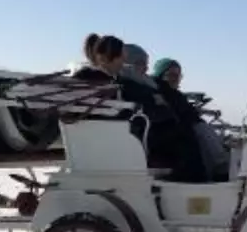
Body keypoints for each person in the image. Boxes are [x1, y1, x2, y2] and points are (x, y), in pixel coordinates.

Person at [74, 34, 208, 182]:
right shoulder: (99, 79)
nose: (123, 64)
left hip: (114, 129)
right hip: (117, 133)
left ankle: (187, 178)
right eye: (121, 59)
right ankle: (191, 181)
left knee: (181, 133)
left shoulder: (97, 77)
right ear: (108, 58)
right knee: (184, 137)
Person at [150, 56, 230, 180]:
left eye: (178, 75)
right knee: (202, 130)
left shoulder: (173, 94)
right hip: (170, 136)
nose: (176, 79)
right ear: (161, 75)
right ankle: (221, 170)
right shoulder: (163, 93)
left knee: (203, 131)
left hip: (179, 133)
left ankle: (219, 169)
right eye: (171, 75)